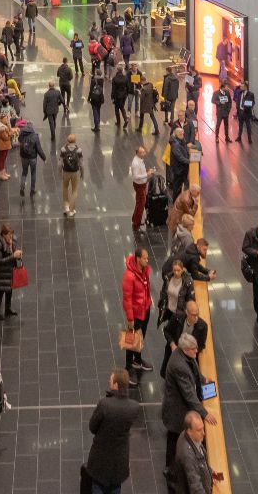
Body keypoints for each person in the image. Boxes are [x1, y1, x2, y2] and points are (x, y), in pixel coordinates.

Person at [161, 334, 214, 481]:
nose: (196, 351)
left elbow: (194, 370)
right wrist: (205, 413)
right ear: (185, 349)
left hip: (180, 407)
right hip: (176, 411)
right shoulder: (179, 366)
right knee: (173, 439)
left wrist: (203, 379)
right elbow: (189, 394)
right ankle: (170, 470)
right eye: (193, 349)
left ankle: (174, 468)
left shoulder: (186, 356)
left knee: (175, 438)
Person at [83, 370, 139, 494]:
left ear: (116, 385)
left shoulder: (104, 404)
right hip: (119, 459)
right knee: (116, 486)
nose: (109, 381)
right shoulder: (134, 407)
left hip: (101, 456)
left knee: (97, 485)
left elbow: (92, 427)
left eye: (111, 380)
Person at [120, 247, 152, 380]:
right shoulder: (129, 276)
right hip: (136, 314)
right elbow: (127, 299)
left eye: (147, 258)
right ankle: (128, 367)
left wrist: (148, 303)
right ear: (138, 259)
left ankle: (138, 360)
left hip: (145, 309)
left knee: (141, 336)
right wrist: (130, 318)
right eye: (145, 258)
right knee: (131, 340)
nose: (147, 260)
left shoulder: (145, 270)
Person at [175, 411, 218, 494]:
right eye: (199, 430)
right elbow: (196, 488)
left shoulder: (188, 435)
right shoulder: (188, 456)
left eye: (203, 428)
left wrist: (210, 472)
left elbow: (200, 460)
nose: (203, 433)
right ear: (189, 431)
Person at [0, 221, 22, 319]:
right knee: (0, 293)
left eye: (11, 234)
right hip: (1, 273)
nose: (10, 237)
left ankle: (8, 309)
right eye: (8, 235)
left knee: (9, 291)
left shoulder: (13, 240)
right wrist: (13, 256)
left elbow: (13, 253)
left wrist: (18, 255)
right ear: (3, 235)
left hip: (10, 271)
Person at [58, 133, 84, 217]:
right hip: (75, 172)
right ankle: (71, 210)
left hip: (66, 172)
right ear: (75, 140)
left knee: (65, 188)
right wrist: (82, 173)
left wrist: (60, 172)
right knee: (74, 190)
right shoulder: (79, 150)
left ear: (67, 140)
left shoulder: (63, 149)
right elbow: (81, 164)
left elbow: (60, 163)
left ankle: (66, 208)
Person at [16, 119, 43, 197]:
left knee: (24, 172)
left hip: (24, 156)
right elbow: (39, 149)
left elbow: (19, 141)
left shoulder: (21, 134)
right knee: (33, 173)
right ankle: (32, 190)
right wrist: (44, 158)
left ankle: (22, 187)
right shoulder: (35, 136)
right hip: (32, 158)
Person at [129, 145, 150, 230]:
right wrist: (147, 174)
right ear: (138, 153)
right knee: (141, 203)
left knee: (139, 202)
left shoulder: (139, 160)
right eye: (142, 152)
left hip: (142, 184)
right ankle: (136, 222)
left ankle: (135, 219)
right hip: (139, 185)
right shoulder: (136, 163)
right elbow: (136, 176)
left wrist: (147, 172)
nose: (144, 153)